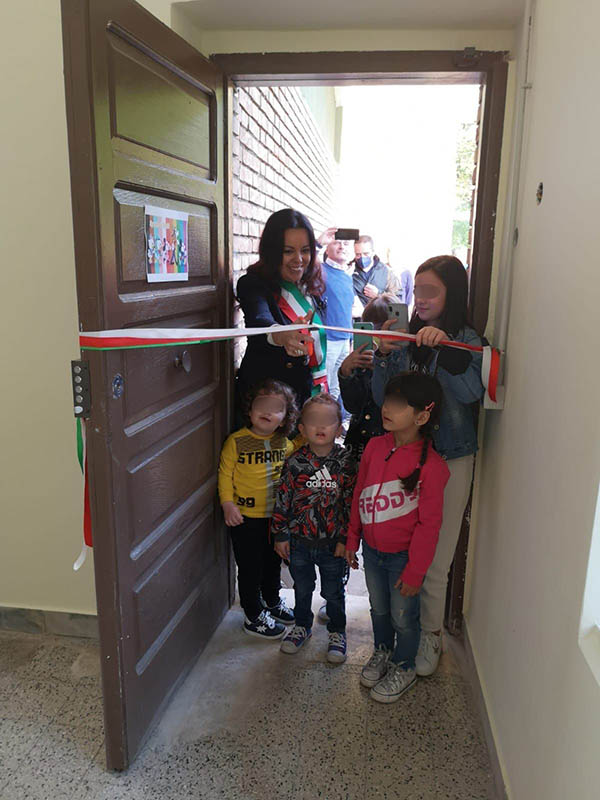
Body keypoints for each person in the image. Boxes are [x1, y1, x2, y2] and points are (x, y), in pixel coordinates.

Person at [371, 255, 485, 677]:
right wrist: (383, 353)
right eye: (416, 290)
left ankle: (431, 635)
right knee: (405, 554)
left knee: (435, 561)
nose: (420, 299)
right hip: (406, 459)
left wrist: (447, 349)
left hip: (451, 459)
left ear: (452, 294)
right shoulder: (405, 335)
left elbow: (471, 393)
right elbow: (383, 398)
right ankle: (405, 636)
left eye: (430, 291)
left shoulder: (468, 340)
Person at [345, 373, 449, 703]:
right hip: (372, 551)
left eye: (398, 404)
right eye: (387, 400)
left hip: (403, 558)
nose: (386, 408)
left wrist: (416, 572)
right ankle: (383, 651)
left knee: (403, 617)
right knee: (378, 609)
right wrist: (352, 538)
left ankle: (405, 665)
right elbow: (359, 493)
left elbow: (429, 526)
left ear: (422, 417)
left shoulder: (433, 467)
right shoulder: (374, 447)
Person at [272, 394, 357, 663]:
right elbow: (283, 498)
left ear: (339, 428)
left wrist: (346, 539)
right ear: (301, 428)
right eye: (313, 421)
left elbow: (351, 503)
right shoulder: (294, 462)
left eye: (328, 421)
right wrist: (281, 534)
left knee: (333, 592)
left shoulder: (346, 463)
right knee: (302, 587)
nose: (320, 427)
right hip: (300, 542)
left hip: (333, 544)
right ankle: (302, 626)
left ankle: (337, 631)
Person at [218, 379, 298, 640]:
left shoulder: (285, 444)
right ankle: (253, 614)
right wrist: (227, 503)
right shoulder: (237, 442)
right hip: (245, 519)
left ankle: (272, 601)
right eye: (262, 405)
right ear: (250, 410)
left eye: (276, 408)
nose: (267, 412)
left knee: (273, 563)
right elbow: (225, 474)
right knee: (250, 568)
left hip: (275, 519)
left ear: (285, 418)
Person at [235, 209, 328, 414]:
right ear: (272, 251)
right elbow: (260, 321)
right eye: (288, 251)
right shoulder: (252, 284)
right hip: (268, 408)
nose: (299, 259)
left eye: (305, 250)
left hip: (306, 395)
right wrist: (282, 336)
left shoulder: (310, 286)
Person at [338, 293, 395, 460]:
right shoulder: (361, 362)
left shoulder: (402, 361)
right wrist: (346, 371)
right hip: (360, 441)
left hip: (390, 440)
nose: (377, 335)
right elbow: (352, 406)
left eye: (383, 330)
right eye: (371, 329)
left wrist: (382, 364)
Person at [320, 233, 355, 405]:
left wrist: (350, 339)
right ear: (327, 248)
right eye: (336, 242)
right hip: (328, 340)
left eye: (346, 243)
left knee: (336, 388)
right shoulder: (319, 271)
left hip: (344, 341)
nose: (342, 247)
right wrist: (318, 243)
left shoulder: (347, 276)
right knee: (323, 388)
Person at [352, 236, 401, 309]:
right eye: (358, 254)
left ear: (373, 252)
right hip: (357, 315)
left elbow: (398, 300)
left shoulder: (387, 271)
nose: (362, 258)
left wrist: (379, 295)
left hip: (381, 314)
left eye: (366, 254)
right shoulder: (349, 271)